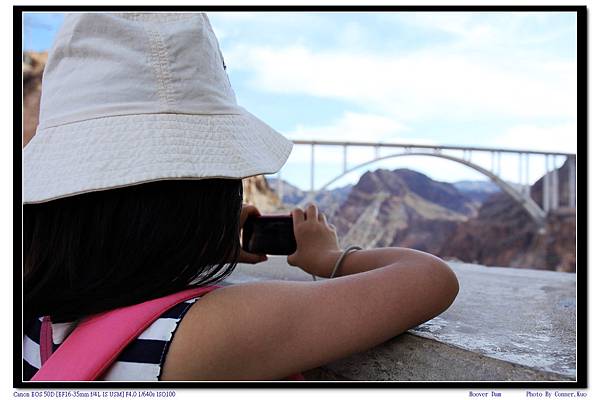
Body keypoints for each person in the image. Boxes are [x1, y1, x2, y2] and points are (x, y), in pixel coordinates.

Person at [23, 12, 459, 381]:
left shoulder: (29, 310)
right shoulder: (202, 335)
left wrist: (194, 249)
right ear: (206, 197)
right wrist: (330, 258)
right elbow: (428, 279)